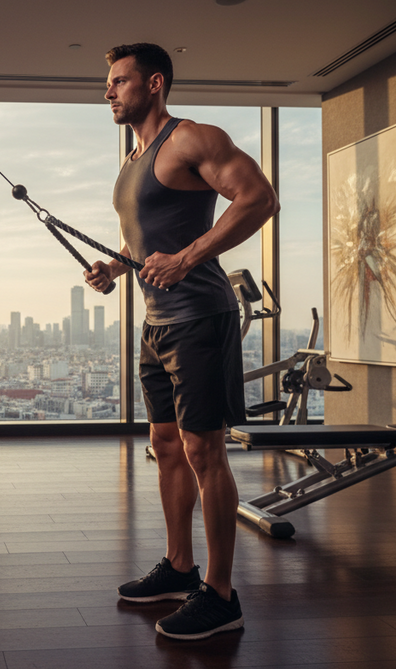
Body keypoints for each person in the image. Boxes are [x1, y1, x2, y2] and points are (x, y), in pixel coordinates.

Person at [84, 43, 279, 640]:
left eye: (120, 81)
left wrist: (190, 256)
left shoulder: (192, 138)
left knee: (204, 452)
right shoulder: (133, 158)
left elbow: (259, 198)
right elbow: (145, 240)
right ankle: (179, 567)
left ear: (155, 83)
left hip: (199, 318)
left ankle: (221, 595)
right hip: (156, 321)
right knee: (165, 446)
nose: (109, 91)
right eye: (109, 83)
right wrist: (116, 267)